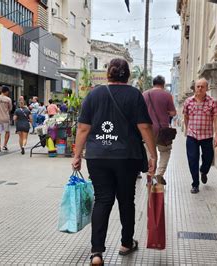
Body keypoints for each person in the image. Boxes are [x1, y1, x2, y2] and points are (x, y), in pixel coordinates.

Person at [71, 58, 157, 265]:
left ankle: (97, 252)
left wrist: (77, 155)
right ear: (128, 75)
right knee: (126, 200)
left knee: (102, 200)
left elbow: (83, 128)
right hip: (127, 156)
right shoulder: (135, 95)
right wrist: (153, 155)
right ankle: (126, 243)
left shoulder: (94, 94)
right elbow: (145, 127)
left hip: (97, 156)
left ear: (108, 73)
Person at [183, 78, 217, 194]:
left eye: (202, 86)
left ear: (207, 88)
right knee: (193, 160)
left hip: (207, 136)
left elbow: (215, 119)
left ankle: (203, 171)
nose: (199, 88)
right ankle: (195, 184)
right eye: (198, 86)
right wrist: (187, 129)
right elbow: (186, 116)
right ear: (195, 88)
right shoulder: (188, 101)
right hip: (192, 136)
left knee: (208, 158)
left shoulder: (212, 102)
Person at [143, 75, 177, 185]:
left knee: (150, 153)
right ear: (163, 84)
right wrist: (165, 112)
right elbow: (173, 113)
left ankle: (150, 175)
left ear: (153, 83)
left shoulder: (144, 94)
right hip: (163, 130)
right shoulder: (167, 95)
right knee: (165, 151)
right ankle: (159, 174)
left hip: (147, 129)